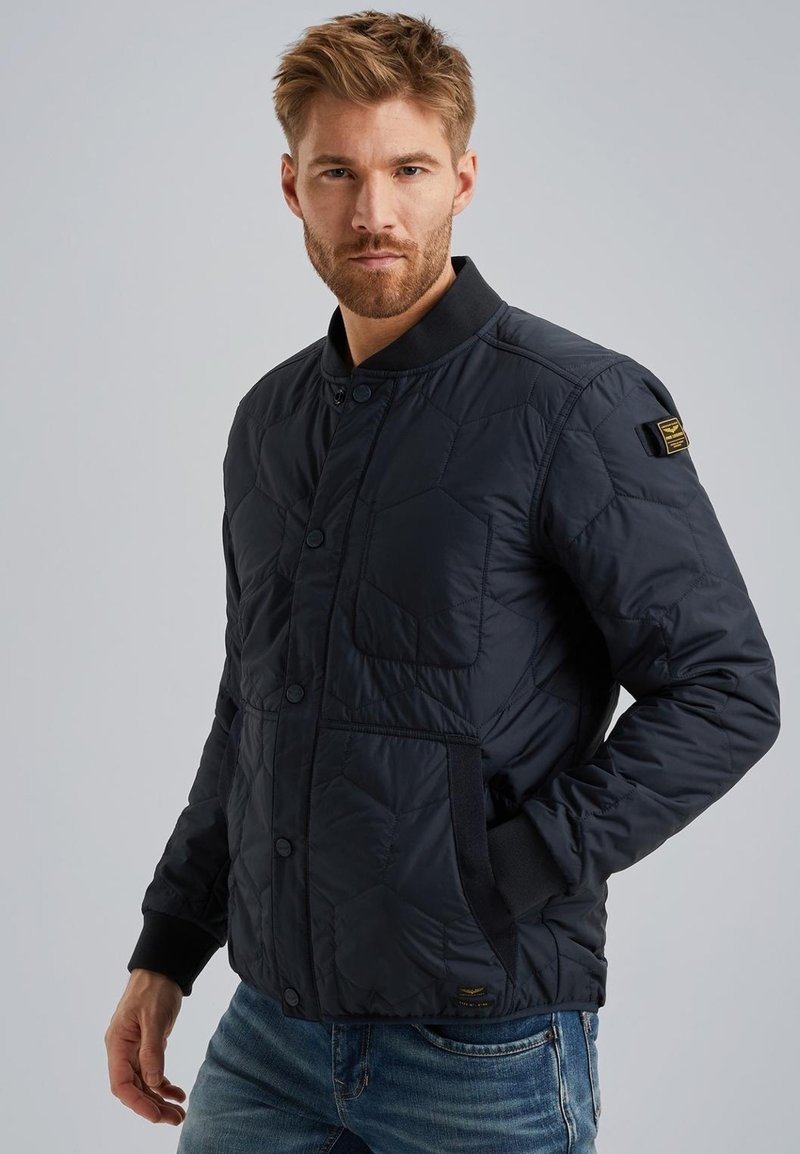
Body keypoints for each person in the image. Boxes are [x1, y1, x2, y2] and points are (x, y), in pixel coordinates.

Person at [104, 10, 781, 1153]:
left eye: (407, 170)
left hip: (480, 1036)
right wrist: (169, 942)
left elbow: (724, 689)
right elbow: (253, 703)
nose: (373, 211)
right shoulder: (271, 419)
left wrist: (508, 866)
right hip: (270, 1029)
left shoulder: (573, 403)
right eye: (337, 172)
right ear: (291, 186)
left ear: (462, 178)